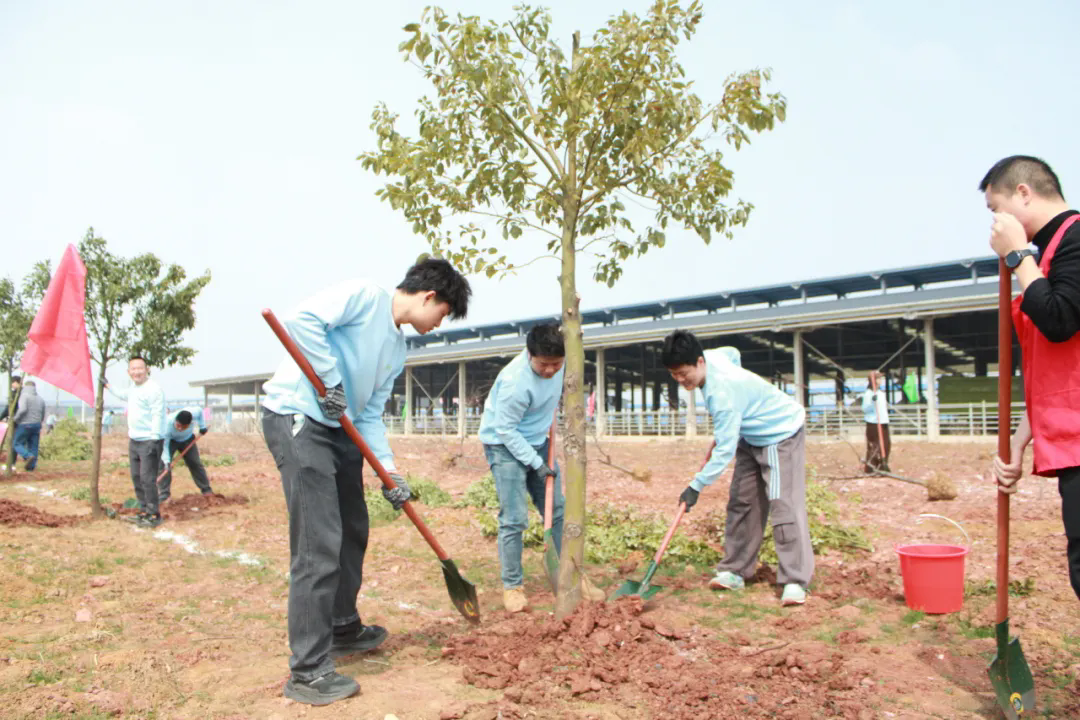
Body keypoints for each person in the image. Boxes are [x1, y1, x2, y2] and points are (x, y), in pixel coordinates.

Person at [260, 258, 471, 706]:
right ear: (429, 296)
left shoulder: (397, 349)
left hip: (341, 428)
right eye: (444, 314)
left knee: (353, 530)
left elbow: (370, 413)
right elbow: (302, 321)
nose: (439, 324)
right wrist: (330, 380)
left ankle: (341, 626)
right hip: (300, 419)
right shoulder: (364, 296)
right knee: (318, 543)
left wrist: (389, 472)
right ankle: (308, 671)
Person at [982, 155, 1080, 601]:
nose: (995, 222)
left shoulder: (1075, 239)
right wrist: (1019, 442)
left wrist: (1019, 255)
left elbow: (1059, 320)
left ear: (1023, 193)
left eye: (996, 208)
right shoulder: (1049, 257)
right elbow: (1056, 371)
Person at [662, 330, 813, 607]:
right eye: (674, 375)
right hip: (749, 434)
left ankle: (794, 580)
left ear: (699, 362)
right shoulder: (714, 357)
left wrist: (696, 486)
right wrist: (740, 410)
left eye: (684, 373)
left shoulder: (723, 394)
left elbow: (724, 451)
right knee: (742, 501)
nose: (681, 380)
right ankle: (735, 570)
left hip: (780, 432)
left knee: (783, 503)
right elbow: (733, 353)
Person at [477, 323, 604, 612]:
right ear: (529, 354)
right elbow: (505, 430)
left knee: (558, 511)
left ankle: (572, 575)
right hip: (503, 445)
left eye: (556, 364)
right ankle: (512, 587)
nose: (550, 371)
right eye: (543, 364)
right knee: (514, 518)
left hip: (539, 441)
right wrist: (536, 463)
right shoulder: (515, 382)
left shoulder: (564, 365)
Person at [106, 357, 166, 528]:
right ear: (128, 372)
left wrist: (155, 438)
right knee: (136, 477)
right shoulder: (133, 388)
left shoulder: (153, 389)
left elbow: (157, 414)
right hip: (135, 439)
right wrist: (107, 386)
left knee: (147, 478)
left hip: (150, 440)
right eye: (133, 369)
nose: (137, 372)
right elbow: (123, 395)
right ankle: (144, 509)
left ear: (147, 369)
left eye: (140, 368)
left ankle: (154, 514)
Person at [158, 408, 213, 502]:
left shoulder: (194, 412)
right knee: (163, 465)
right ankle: (164, 496)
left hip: (188, 440)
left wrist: (202, 426)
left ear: (190, 423)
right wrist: (167, 461)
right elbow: (165, 446)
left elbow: (200, 411)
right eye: (178, 425)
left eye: (183, 427)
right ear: (175, 421)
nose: (180, 429)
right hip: (171, 441)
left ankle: (206, 490)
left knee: (195, 463)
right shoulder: (166, 425)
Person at [12, 379, 46, 471]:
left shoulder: (24, 396)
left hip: (25, 424)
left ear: (25, 387)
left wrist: (15, 419)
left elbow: (22, 409)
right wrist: (39, 422)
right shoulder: (40, 399)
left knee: (17, 443)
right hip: (37, 424)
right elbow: (43, 413)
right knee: (33, 446)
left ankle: (27, 455)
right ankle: (31, 467)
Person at [862, 371, 890, 473]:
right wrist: (872, 401)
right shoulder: (868, 394)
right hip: (873, 423)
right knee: (874, 446)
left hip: (883, 421)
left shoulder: (881, 393)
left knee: (886, 444)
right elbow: (865, 409)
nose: (881, 380)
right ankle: (871, 468)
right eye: (879, 378)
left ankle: (882, 465)